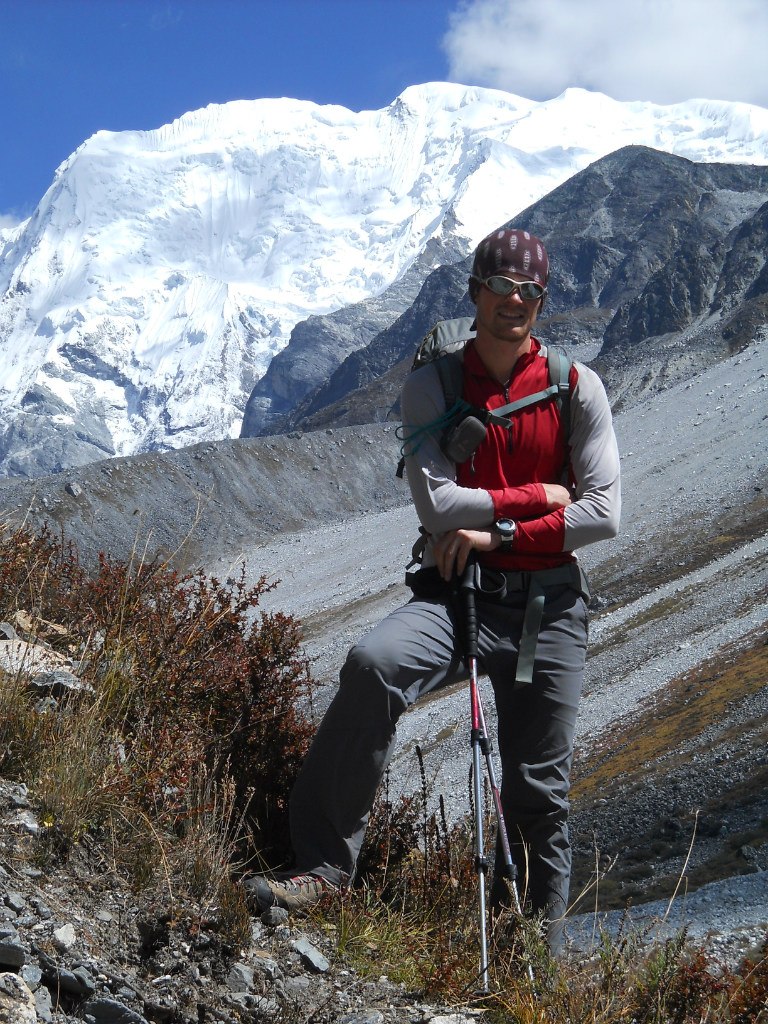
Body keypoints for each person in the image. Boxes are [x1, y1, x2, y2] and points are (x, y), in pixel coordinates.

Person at [246, 228, 621, 953]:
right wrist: (545, 495)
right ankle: (323, 870)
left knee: (538, 790)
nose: (515, 301)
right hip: (458, 597)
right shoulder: (434, 387)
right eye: (502, 286)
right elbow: (437, 510)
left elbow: (604, 514)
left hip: (545, 610)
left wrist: (498, 534)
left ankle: (531, 953)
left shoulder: (577, 388)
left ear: (543, 301)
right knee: (375, 663)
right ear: (476, 290)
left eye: (530, 291)